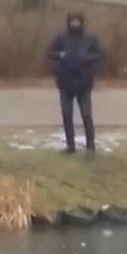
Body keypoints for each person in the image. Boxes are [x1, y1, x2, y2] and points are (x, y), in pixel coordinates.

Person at [48, 12, 103, 157]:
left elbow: (100, 55)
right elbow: (50, 52)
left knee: (86, 114)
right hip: (65, 81)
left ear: (81, 22)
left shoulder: (89, 38)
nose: (75, 24)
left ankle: (90, 146)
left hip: (84, 82)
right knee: (67, 115)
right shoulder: (61, 38)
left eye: (77, 22)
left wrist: (88, 59)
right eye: (72, 22)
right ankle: (70, 145)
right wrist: (59, 57)